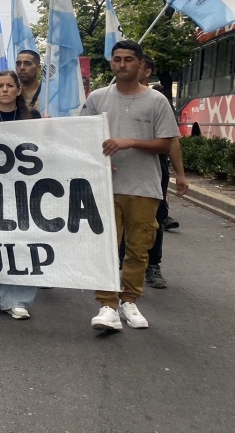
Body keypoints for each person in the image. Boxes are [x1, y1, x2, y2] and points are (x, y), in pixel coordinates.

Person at [82, 40, 179, 331]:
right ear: (111, 63)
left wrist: (130, 142)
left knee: (138, 248)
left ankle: (129, 300)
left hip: (144, 188)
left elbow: (166, 143)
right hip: (104, 186)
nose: (122, 64)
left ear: (140, 65)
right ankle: (107, 304)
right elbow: (82, 135)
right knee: (106, 246)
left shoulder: (156, 100)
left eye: (128, 59)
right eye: (117, 59)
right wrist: (97, 158)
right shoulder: (98, 98)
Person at [0, 70, 42, 319]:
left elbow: (42, 147)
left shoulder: (31, 116)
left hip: (22, 189)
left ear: (18, 90)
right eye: (0, 86)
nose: (4, 90)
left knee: (22, 243)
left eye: (9, 86)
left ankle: (19, 300)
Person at [135, 57, 189, 290]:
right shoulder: (107, 98)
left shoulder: (158, 101)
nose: (125, 66)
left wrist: (180, 174)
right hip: (119, 171)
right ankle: (120, 264)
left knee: (155, 219)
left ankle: (153, 266)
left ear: (147, 72)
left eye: (133, 63)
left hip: (154, 170)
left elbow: (172, 141)